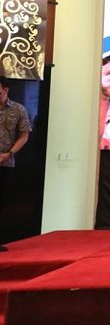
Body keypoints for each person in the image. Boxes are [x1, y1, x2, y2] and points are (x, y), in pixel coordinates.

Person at [0, 77, 31, 251]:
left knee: (2, 202)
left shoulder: (18, 109)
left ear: (6, 90)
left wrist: (9, 153)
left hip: (5, 162)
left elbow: (24, 135)